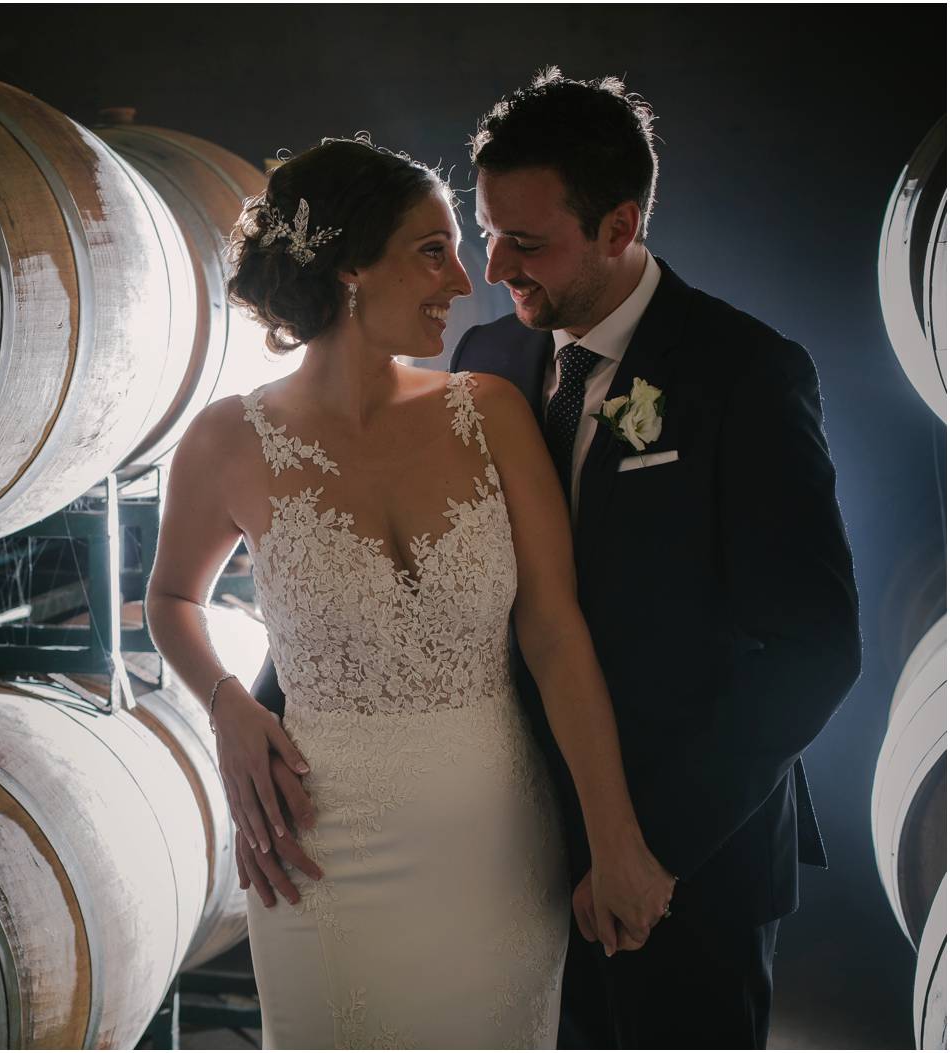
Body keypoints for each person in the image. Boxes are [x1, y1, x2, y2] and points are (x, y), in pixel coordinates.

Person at [244, 72, 863, 1049]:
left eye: (526, 243)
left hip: (689, 856)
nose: (493, 267)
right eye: (486, 232)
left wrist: (651, 849)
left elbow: (812, 647)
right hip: (506, 840)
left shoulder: (743, 372)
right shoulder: (486, 358)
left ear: (618, 228)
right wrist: (268, 709)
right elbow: (387, 559)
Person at [145, 132, 676, 1049]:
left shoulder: (490, 413)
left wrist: (613, 832)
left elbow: (555, 633)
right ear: (350, 266)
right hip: (319, 849)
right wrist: (227, 702)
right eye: (435, 252)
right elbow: (171, 600)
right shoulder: (225, 439)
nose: (464, 283)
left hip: (499, 844)